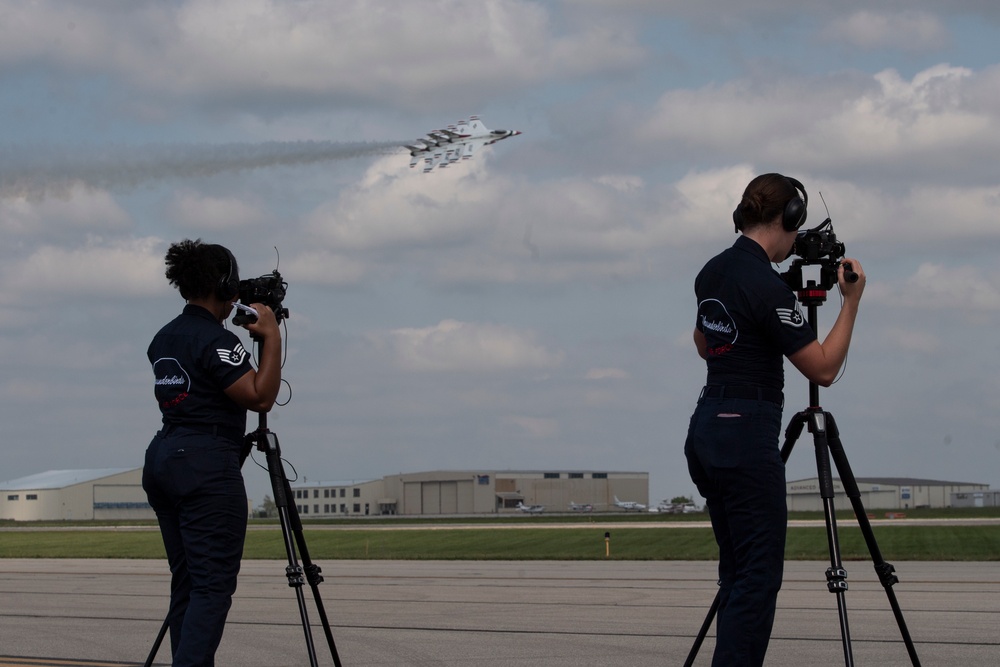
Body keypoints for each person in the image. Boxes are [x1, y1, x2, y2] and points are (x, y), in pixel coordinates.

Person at [684, 173, 866, 666]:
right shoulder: (764, 284)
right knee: (758, 577)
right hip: (746, 430)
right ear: (786, 219)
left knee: (737, 572)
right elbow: (824, 369)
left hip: (707, 428)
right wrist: (850, 303)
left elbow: (706, 344)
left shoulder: (713, 272)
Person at [142, 239, 281, 667]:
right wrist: (271, 335)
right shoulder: (216, 340)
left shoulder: (164, 336)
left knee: (187, 585)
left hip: (164, 458)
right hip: (206, 464)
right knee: (212, 588)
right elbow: (258, 397)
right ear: (222, 285)